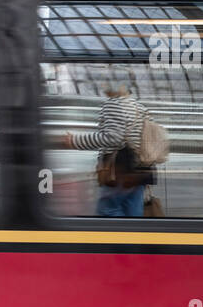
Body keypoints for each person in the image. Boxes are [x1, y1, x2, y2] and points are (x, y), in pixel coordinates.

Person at [59, 80, 153, 217]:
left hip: (119, 171)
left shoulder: (114, 104)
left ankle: (118, 238)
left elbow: (112, 138)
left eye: (107, 82)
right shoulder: (139, 107)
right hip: (140, 171)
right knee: (133, 213)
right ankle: (132, 237)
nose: (103, 86)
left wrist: (75, 141)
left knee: (107, 211)